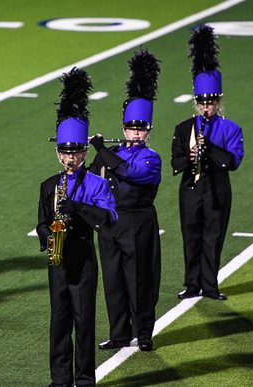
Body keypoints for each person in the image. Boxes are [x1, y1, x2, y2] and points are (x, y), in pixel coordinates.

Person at [37, 68, 117, 387]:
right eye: (65, 152)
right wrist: (49, 237)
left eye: (76, 152)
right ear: (58, 153)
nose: (70, 158)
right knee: (59, 323)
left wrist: (79, 209)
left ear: (85, 152)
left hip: (83, 259)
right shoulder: (48, 186)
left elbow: (109, 218)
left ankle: (84, 380)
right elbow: (41, 223)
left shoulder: (97, 182)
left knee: (84, 325)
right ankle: (59, 381)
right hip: (57, 262)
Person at [89, 49, 162, 352]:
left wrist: (99, 148)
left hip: (137, 221)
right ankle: (119, 333)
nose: (135, 133)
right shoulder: (113, 152)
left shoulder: (151, 157)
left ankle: (143, 333)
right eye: (131, 128)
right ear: (124, 129)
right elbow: (93, 179)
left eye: (140, 129)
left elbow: (129, 172)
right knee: (114, 281)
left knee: (138, 280)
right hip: (111, 223)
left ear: (148, 131)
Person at [171, 25, 244, 301]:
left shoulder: (230, 129)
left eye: (211, 101)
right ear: (196, 101)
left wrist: (209, 148)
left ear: (218, 101)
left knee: (213, 235)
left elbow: (233, 161)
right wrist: (189, 158)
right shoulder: (184, 127)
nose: (206, 106)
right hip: (190, 187)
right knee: (191, 235)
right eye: (202, 101)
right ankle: (192, 284)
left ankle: (210, 285)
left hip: (217, 187)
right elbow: (175, 161)